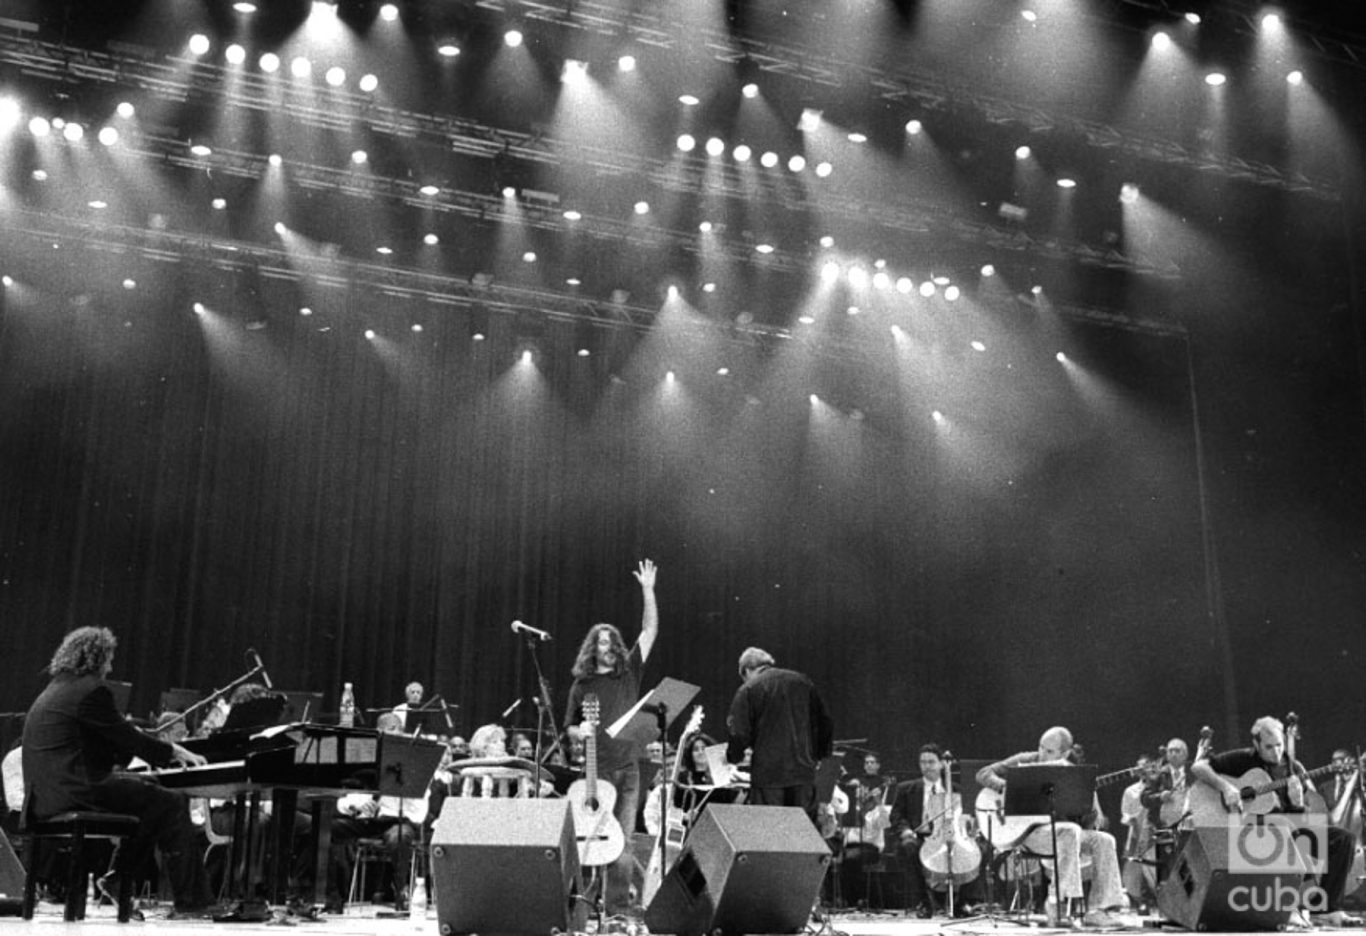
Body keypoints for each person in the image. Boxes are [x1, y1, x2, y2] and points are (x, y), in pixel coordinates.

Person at [20, 626, 216, 916]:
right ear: (96, 658)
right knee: (170, 803)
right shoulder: (90, 689)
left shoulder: (54, 690)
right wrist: (174, 750)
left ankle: (117, 879)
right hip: (75, 790)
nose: (111, 667)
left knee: (146, 797)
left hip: (45, 798)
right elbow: (126, 738)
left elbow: (104, 743)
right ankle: (194, 903)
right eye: (109, 659)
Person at [1191, 716, 1360, 927]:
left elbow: (1297, 813)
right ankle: (1291, 906)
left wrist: (1298, 802)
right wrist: (1226, 788)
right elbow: (1199, 767)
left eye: (1279, 745)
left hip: (1284, 829)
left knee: (1343, 839)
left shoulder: (1291, 766)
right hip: (1246, 831)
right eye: (1269, 747)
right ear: (1256, 744)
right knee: (1282, 826)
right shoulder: (1243, 759)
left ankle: (1327, 909)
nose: (1276, 752)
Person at [563, 559, 659, 919]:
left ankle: (617, 912)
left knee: (624, 841)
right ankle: (583, 907)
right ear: (592, 648)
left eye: (610, 642)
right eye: (600, 642)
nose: (606, 646)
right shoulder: (582, 685)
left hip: (628, 768)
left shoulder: (629, 672)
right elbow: (568, 726)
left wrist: (648, 591)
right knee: (590, 841)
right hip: (596, 771)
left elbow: (649, 630)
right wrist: (579, 731)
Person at [976, 726, 1124, 927]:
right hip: (1027, 835)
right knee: (1070, 831)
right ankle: (1057, 904)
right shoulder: (1028, 759)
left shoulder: (1072, 774)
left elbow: (1086, 822)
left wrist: (1089, 801)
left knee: (1105, 840)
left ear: (1065, 753)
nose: (1042, 754)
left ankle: (1099, 909)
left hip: (1062, 834)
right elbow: (984, 773)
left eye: (1049, 751)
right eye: (1041, 747)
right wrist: (1006, 787)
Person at [724, 646, 833, 822]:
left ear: (747, 670)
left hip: (768, 777)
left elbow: (739, 733)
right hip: (803, 774)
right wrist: (819, 755)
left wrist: (732, 758)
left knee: (771, 835)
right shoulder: (803, 682)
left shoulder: (748, 689)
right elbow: (825, 722)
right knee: (803, 836)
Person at [889, 744, 985, 918]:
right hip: (919, 836)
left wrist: (970, 827)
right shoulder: (906, 788)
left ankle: (964, 902)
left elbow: (967, 816)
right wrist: (905, 831)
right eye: (923, 762)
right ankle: (923, 902)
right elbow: (896, 817)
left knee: (980, 850)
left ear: (942, 764)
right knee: (908, 847)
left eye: (931, 762)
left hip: (951, 835)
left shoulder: (956, 790)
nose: (927, 766)